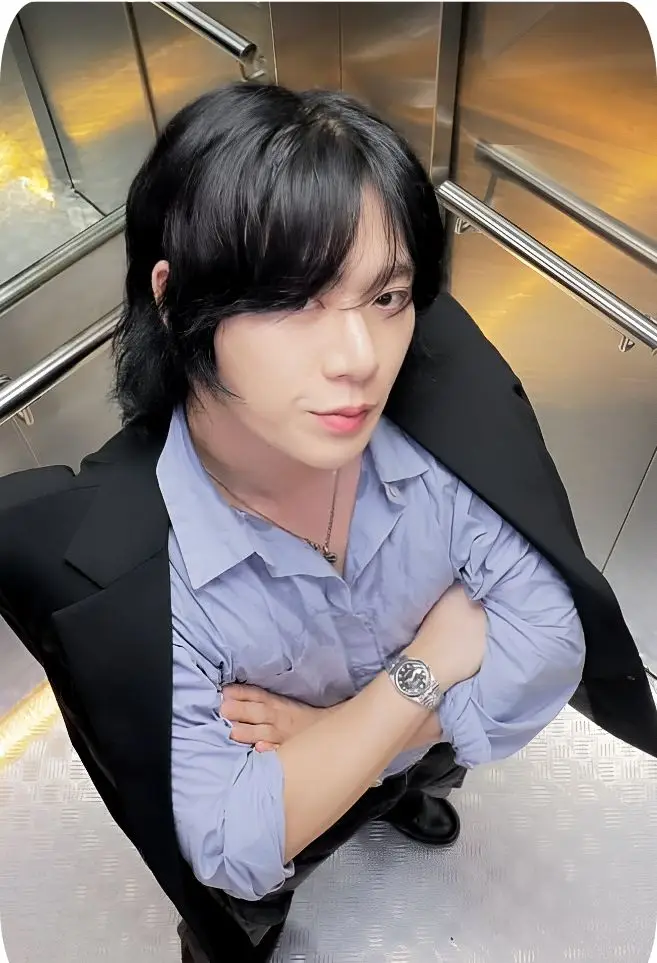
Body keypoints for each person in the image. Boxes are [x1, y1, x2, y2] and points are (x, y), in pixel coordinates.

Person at [0, 83, 655, 963]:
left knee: (414, 775)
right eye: (294, 299)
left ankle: (401, 793)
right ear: (175, 297)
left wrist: (345, 732)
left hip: (403, 751)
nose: (358, 358)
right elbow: (230, 841)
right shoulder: (138, 561)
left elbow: (551, 644)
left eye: (386, 297)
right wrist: (429, 668)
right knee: (248, 905)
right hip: (307, 820)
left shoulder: (438, 435)